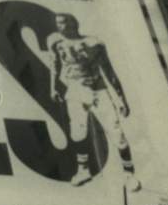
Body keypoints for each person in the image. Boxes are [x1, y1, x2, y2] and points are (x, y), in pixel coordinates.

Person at [48, 12, 141, 191]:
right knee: (78, 132)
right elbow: (54, 66)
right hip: (75, 90)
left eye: (64, 23)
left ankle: (129, 174)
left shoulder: (94, 43)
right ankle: (83, 170)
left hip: (97, 90)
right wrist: (53, 88)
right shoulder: (56, 43)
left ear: (73, 24)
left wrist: (121, 99)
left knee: (116, 133)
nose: (60, 27)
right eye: (58, 23)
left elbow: (108, 70)